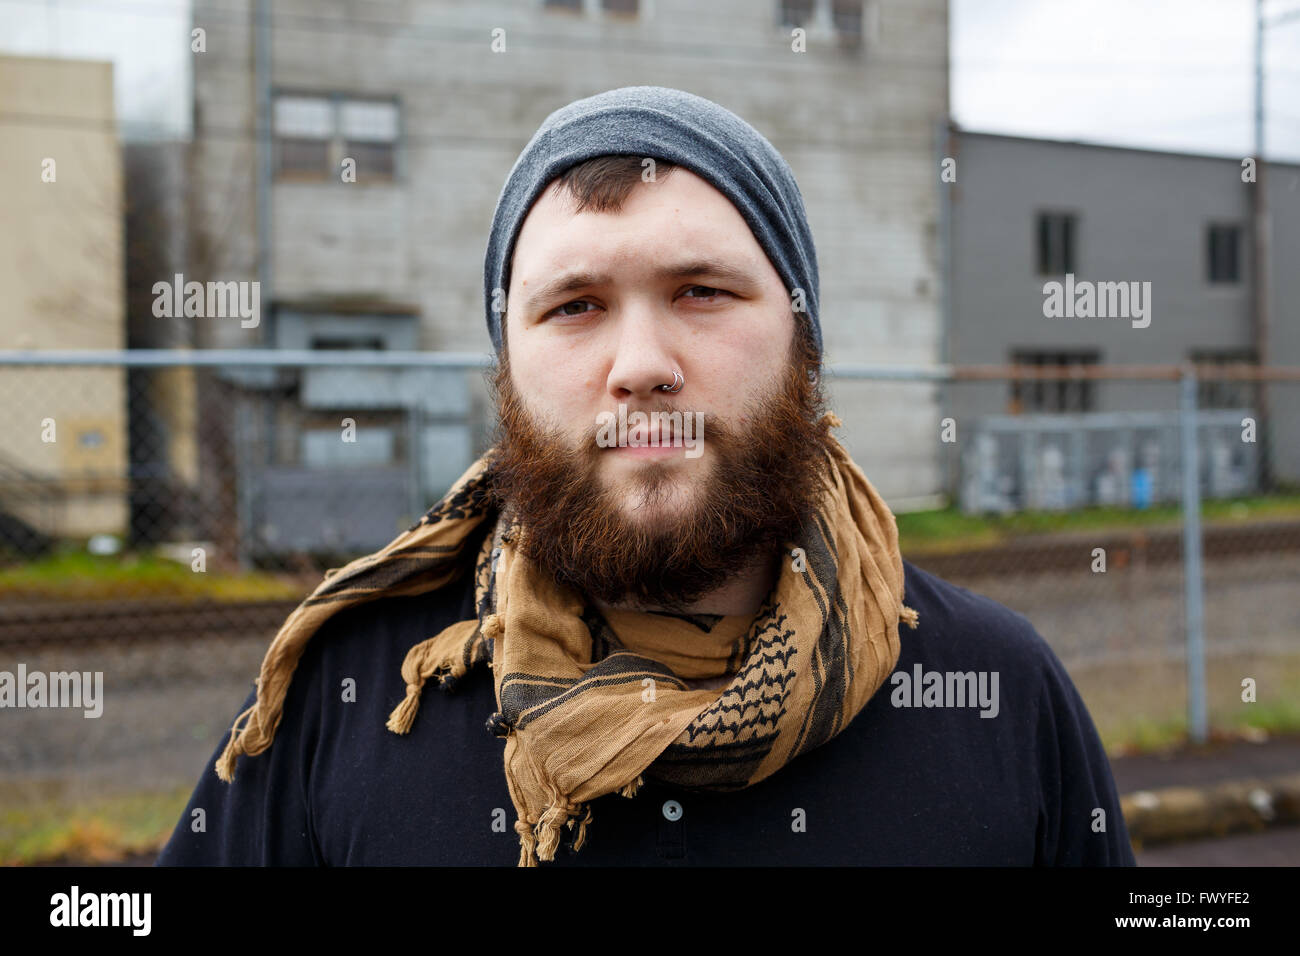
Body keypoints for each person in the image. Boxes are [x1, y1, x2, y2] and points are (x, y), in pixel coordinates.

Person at [157, 86, 1134, 867]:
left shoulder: (997, 689)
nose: (640, 362)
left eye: (700, 291)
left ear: (803, 338)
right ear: (506, 367)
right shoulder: (348, 692)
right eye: (575, 305)